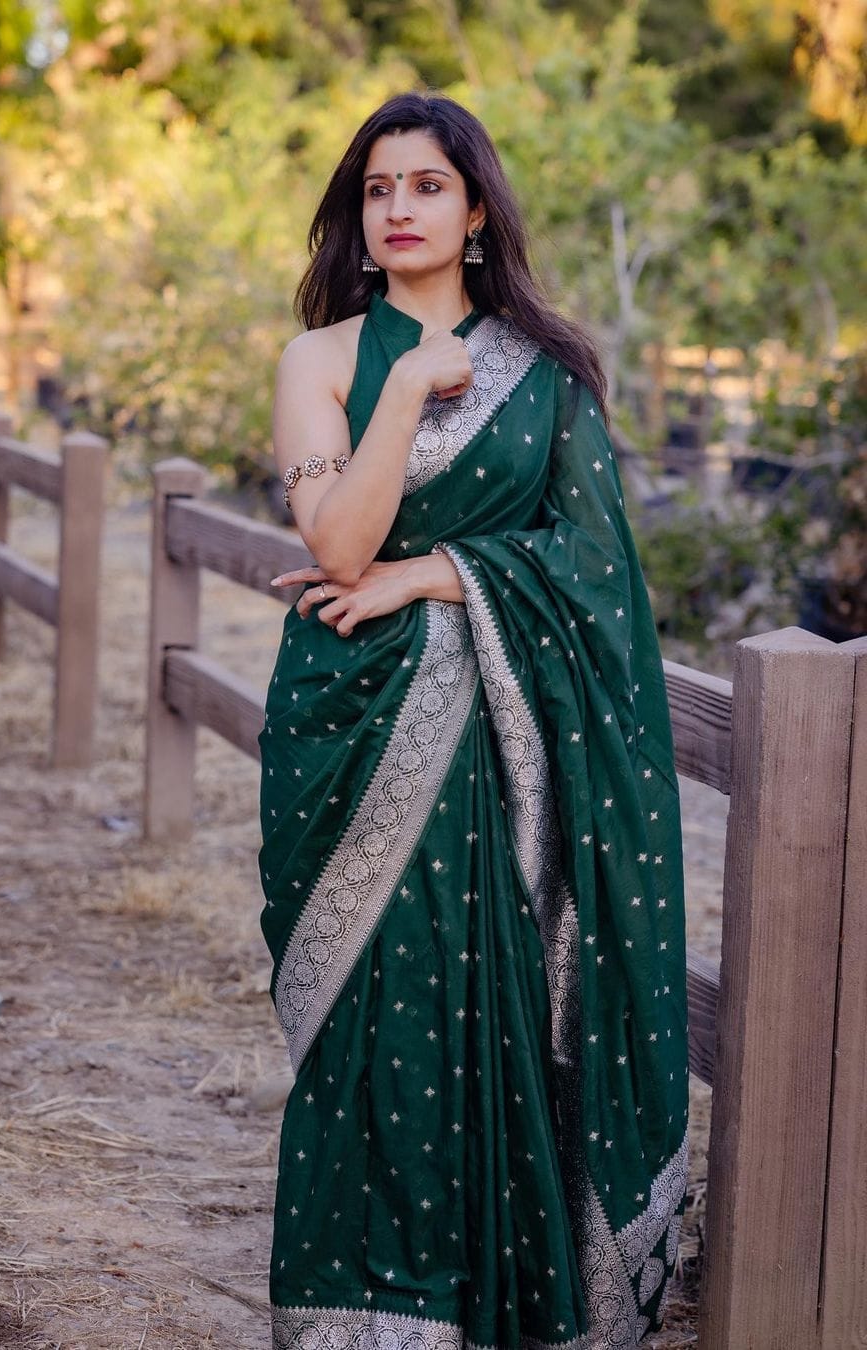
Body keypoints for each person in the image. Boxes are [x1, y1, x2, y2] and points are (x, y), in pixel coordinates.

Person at [257, 90, 689, 1350]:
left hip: (501, 758)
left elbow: (598, 571)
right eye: (379, 188)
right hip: (349, 735)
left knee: (477, 1021)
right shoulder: (321, 360)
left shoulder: (549, 377)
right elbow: (335, 539)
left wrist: (435, 573)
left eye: (427, 185)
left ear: (478, 208)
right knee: (370, 1034)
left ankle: (489, 1311)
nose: (399, 208)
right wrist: (409, 392)